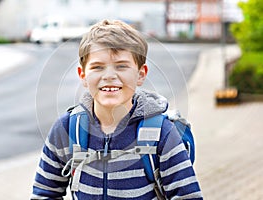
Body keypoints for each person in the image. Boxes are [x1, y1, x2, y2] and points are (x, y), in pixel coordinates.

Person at [31, 19, 203, 199]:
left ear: (140, 74)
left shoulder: (161, 133)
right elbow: (44, 193)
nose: (110, 76)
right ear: (82, 75)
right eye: (98, 67)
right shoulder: (66, 129)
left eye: (121, 66)